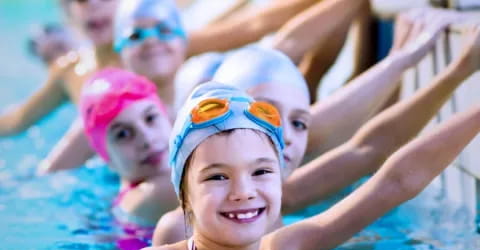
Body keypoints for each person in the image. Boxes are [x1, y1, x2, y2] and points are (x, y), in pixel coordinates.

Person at [99, 80, 480, 250]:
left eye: (261, 171)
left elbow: (392, 185)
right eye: (217, 177)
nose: (242, 192)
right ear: (184, 197)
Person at [153, 9, 477, 245]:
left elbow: (372, 153)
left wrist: (458, 70)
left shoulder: (281, 212)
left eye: (300, 123)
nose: (286, 136)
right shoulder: (179, 225)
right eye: (266, 115)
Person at [39, 0, 368, 173]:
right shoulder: (112, 114)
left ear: (184, 42)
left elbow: (286, 43)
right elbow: (47, 176)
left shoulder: (202, 92)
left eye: (164, 31)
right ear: (120, 49)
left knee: (297, 87)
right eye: (137, 35)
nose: (152, 42)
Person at [0, 0, 121, 137]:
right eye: (81, 0)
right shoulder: (70, 71)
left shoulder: (145, 53)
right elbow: (15, 122)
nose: (93, 4)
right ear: (69, 14)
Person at [79, 68, 178, 227]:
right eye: (123, 134)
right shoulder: (151, 196)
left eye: (150, 118)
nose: (147, 138)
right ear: (107, 157)